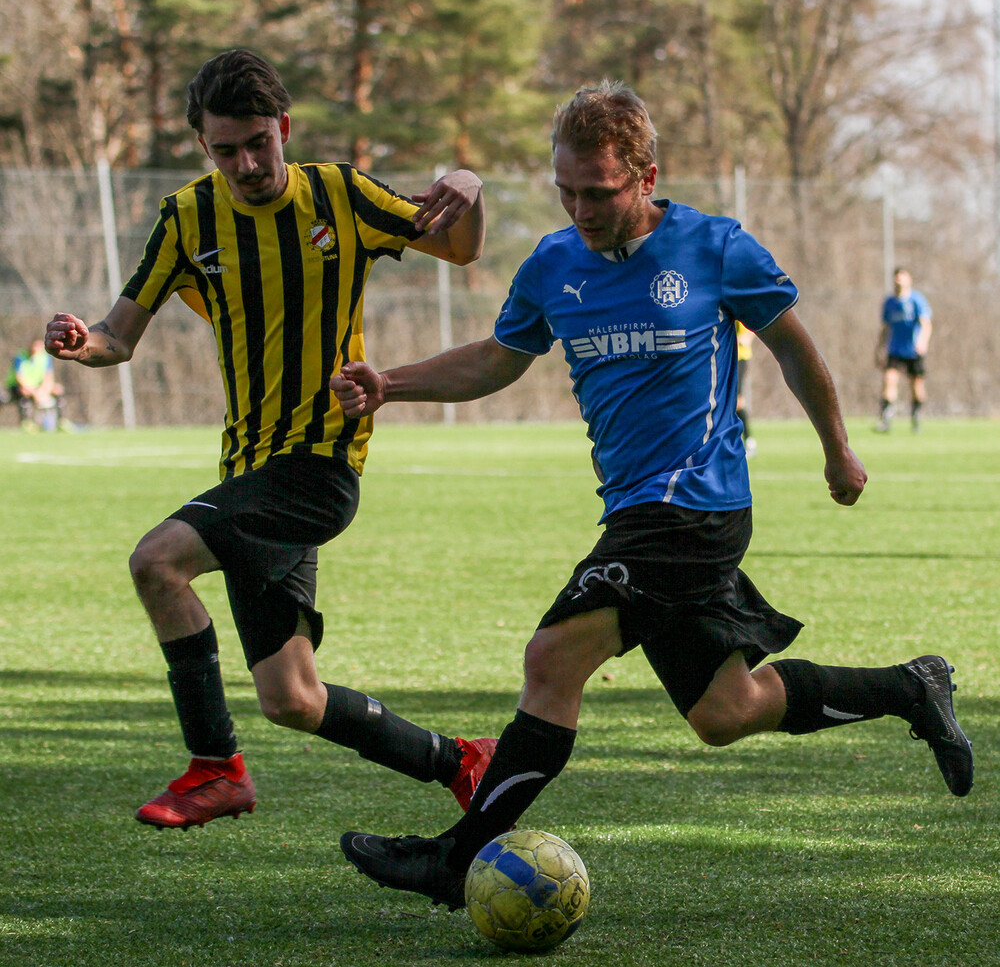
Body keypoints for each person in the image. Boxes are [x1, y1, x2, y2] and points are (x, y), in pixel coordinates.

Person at [330, 80, 973, 911]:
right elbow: (496, 359)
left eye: (599, 193)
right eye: (566, 191)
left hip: (695, 508)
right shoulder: (552, 263)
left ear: (646, 177)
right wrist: (391, 383)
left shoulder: (714, 246)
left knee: (552, 658)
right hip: (635, 509)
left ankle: (454, 862)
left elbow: (794, 349)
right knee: (726, 711)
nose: (581, 210)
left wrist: (838, 451)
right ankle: (912, 687)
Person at [43, 49, 497, 831]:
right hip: (247, 467)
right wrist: (82, 343)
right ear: (204, 146)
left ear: (283, 127)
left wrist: (469, 186)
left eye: (259, 143)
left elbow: (462, 248)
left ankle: (215, 767)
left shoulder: (340, 194)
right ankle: (460, 762)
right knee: (293, 698)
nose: (248, 164)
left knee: (156, 562)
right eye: (227, 151)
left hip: (321, 465)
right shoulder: (187, 218)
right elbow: (119, 336)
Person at [875, 267, 931, 433]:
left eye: (902, 277)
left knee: (916, 387)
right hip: (895, 349)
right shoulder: (890, 303)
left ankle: (916, 417)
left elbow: (926, 324)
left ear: (909, 280)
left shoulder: (916, 300)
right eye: (896, 278)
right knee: (889, 380)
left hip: (913, 350)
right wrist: (879, 348)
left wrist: (922, 342)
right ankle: (886, 419)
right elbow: (885, 327)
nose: (899, 281)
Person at [9, 339, 65, 432]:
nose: (37, 349)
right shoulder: (21, 357)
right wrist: (34, 392)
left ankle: (61, 421)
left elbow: (49, 377)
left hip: (39, 388)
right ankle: (27, 422)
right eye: (35, 346)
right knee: (24, 392)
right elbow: (19, 378)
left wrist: (43, 391)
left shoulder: (45, 357)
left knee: (58, 389)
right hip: (21, 386)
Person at [735, 321, 756, 456]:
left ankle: (749, 441)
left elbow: (753, 325)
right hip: (725, 357)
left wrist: (746, 338)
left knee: (737, 401)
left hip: (739, 357)